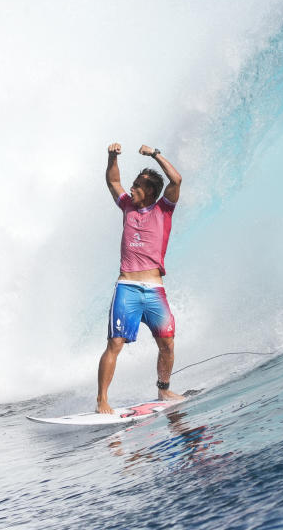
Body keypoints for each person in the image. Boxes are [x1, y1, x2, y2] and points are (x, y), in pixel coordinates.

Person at [97, 143, 184, 414]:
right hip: (128, 287)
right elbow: (113, 180)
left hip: (155, 289)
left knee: (167, 343)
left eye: (137, 186)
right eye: (132, 184)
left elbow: (176, 179)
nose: (131, 189)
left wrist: (156, 154)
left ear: (149, 193)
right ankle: (102, 400)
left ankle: (163, 387)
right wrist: (112, 157)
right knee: (115, 343)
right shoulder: (127, 207)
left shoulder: (163, 210)